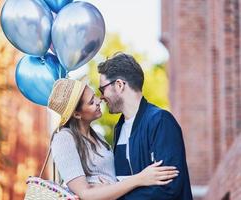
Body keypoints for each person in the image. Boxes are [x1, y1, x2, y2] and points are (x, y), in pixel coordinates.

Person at [48, 78, 179, 200]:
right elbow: (85, 194)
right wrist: (140, 178)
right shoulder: (64, 139)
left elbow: (111, 180)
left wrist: (112, 185)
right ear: (77, 114)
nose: (99, 101)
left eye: (95, 96)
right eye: (91, 102)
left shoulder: (98, 137)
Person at [97, 52, 193, 199]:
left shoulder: (160, 121)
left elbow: (169, 188)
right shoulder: (119, 128)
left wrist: (114, 195)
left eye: (102, 89)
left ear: (119, 85)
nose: (101, 97)